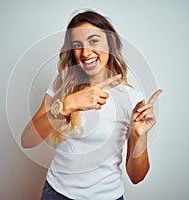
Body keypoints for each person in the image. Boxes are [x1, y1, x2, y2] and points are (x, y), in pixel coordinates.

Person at [21, 10, 162, 200]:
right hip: (56, 193)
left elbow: (137, 177)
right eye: (77, 45)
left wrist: (140, 136)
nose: (85, 52)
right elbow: (27, 140)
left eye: (93, 41)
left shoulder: (131, 98)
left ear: (111, 43)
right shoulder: (62, 84)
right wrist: (65, 106)